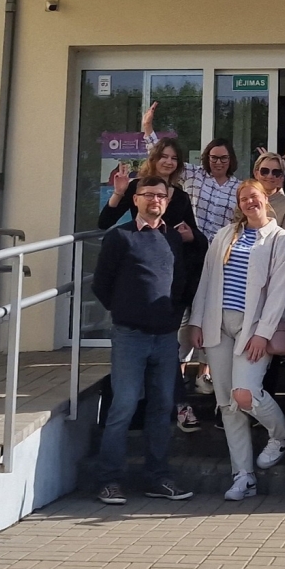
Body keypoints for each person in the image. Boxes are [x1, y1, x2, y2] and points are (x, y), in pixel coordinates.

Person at [90, 175, 207, 504]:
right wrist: (126, 310)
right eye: (148, 195)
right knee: (124, 405)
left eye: (161, 196)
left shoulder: (172, 238)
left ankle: (158, 477)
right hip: (130, 336)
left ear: (167, 202)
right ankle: (109, 480)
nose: (155, 200)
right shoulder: (119, 237)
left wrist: (171, 314)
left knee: (162, 407)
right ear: (136, 199)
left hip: (165, 337)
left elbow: (179, 280)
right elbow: (101, 284)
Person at [186, 180, 285, 501]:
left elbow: (279, 291)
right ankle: (243, 476)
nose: (250, 202)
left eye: (254, 197)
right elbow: (206, 280)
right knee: (227, 404)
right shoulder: (224, 235)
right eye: (244, 198)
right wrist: (196, 321)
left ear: (266, 199)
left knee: (245, 394)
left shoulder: (280, 239)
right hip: (217, 325)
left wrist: (263, 333)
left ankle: (282, 435)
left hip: (253, 329)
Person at [142, 102, 240, 240]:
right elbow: (162, 157)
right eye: (214, 158)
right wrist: (147, 127)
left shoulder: (239, 188)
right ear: (207, 157)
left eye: (223, 158)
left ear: (231, 159)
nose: (218, 163)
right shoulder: (194, 174)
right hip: (191, 243)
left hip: (221, 247)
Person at [97, 140, 200, 236]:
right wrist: (118, 193)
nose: (169, 162)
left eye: (174, 158)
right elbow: (104, 223)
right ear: (153, 159)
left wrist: (190, 237)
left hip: (170, 248)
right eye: (164, 156)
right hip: (141, 245)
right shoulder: (136, 187)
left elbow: (196, 235)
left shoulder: (181, 196)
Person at [253, 152, 285, 239]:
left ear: (282, 178)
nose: (270, 176)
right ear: (256, 174)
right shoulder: (246, 200)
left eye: (276, 172)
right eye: (264, 171)